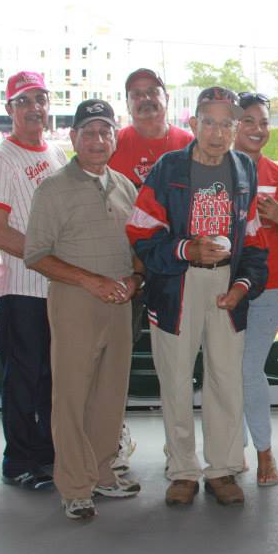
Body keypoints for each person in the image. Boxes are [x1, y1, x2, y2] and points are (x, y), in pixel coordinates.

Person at [127, 87, 268, 507]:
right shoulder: (169, 167)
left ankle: (223, 469)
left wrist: (243, 286)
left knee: (226, 379)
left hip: (226, 285)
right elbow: (139, 232)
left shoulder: (244, 168)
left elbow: (256, 242)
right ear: (194, 124)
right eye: (210, 121)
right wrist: (185, 249)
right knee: (175, 379)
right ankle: (183, 470)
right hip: (177, 282)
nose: (218, 131)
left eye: (228, 123)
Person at [25, 99, 142, 520]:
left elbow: (139, 251)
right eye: (89, 132)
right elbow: (35, 254)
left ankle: (103, 472)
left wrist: (134, 281)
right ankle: (75, 485)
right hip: (76, 300)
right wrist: (90, 281)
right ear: (73, 138)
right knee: (72, 395)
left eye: (105, 132)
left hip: (120, 300)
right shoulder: (54, 188)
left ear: (114, 137)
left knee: (111, 393)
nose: (97, 140)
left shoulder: (125, 186)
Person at [0, 71, 65, 491]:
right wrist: (46, 259)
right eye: (25, 100)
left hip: (56, 288)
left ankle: (48, 455)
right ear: (10, 108)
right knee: (24, 377)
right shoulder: (0, 160)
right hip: (22, 289)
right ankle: (19, 462)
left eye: (41, 99)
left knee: (52, 377)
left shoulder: (55, 153)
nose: (35, 108)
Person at [107, 68, 192, 474]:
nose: (145, 99)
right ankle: (113, 436)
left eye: (152, 91)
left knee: (182, 366)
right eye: (135, 94)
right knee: (115, 361)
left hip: (179, 270)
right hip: (126, 271)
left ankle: (181, 448)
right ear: (127, 103)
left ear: (166, 96)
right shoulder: (113, 142)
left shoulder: (187, 144)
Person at [233, 91, 278, 486]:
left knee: (247, 368)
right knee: (226, 370)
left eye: (263, 122)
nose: (257, 129)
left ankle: (263, 452)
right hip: (222, 285)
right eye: (248, 121)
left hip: (271, 285)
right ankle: (234, 448)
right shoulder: (211, 173)